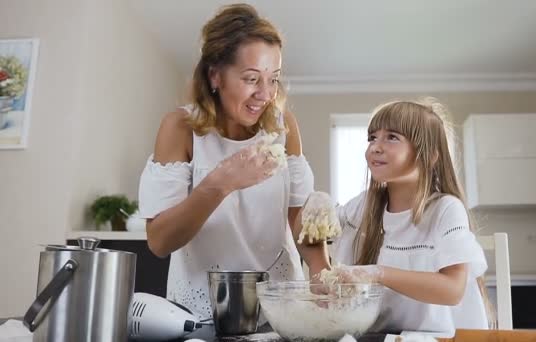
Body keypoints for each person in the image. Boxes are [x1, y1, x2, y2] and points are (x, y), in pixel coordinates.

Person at [137, 3, 313, 320]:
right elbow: (160, 241)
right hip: (202, 311)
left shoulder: (283, 125)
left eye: (273, 79)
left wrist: (323, 270)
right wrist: (222, 182)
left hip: (281, 308)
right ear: (215, 75)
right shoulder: (180, 128)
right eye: (251, 78)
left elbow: (297, 220)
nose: (266, 93)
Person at [297, 99, 492, 334]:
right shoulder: (364, 205)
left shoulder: (446, 210)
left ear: (429, 156)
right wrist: (316, 207)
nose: (375, 147)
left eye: (392, 137)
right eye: (372, 138)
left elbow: (452, 290)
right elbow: (306, 235)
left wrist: (377, 273)